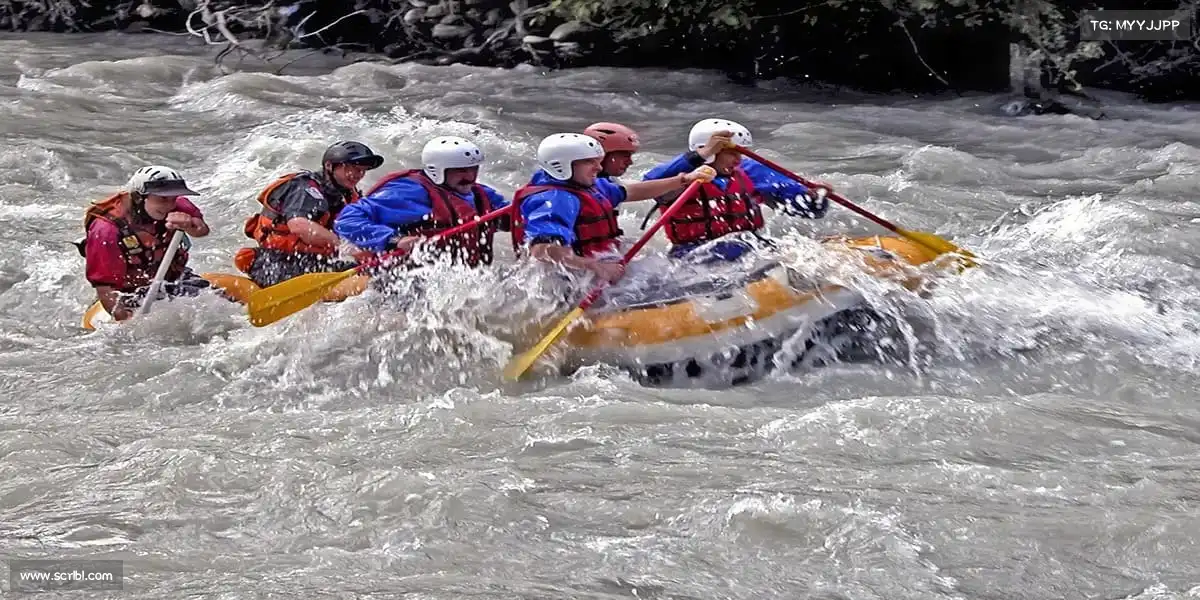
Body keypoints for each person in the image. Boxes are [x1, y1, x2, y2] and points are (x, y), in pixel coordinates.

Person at [512, 132, 716, 283]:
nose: (599, 168)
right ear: (562, 164)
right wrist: (596, 267)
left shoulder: (590, 186)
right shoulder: (555, 199)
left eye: (598, 161)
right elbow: (543, 250)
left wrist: (684, 179)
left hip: (599, 269)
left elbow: (634, 191)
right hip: (570, 283)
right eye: (590, 162)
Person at [641, 118, 830, 261]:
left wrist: (815, 198)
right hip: (692, 256)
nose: (738, 160)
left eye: (741, 153)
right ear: (707, 151)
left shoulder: (750, 171)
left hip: (750, 247)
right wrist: (701, 155)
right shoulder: (680, 174)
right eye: (732, 153)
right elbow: (648, 185)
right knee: (733, 247)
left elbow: (808, 211)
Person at [333, 135, 511, 268]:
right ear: (438, 170)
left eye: (473, 169)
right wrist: (395, 240)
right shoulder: (409, 192)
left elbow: (518, 215)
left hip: (460, 281)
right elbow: (347, 220)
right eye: (461, 171)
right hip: (403, 279)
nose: (470, 177)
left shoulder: (481, 195)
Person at [234, 140, 385, 288]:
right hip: (275, 261)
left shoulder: (346, 196)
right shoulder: (304, 188)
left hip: (314, 260)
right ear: (329, 166)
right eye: (351, 167)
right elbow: (299, 226)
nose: (358, 174)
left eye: (362, 170)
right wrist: (349, 248)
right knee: (369, 278)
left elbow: (366, 225)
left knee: (380, 270)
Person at [78, 165, 211, 321]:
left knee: (214, 300)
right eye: (162, 198)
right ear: (138, 197)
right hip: (128, 292)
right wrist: (123, 317)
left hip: (170, 279)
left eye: (172, 198)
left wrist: (190, 225)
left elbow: (202, 230)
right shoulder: (106, 229)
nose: (169, 205)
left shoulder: (178, 206)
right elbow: (104, 286)